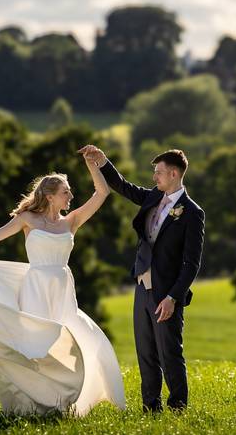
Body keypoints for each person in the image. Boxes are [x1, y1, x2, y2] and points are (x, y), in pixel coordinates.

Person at [0, 151, 125, 416]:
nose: (70, 196)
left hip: (61, 288)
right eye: (66, 192)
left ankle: (64, 401)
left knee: (70, 340)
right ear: (50, 196)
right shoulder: (28, 219)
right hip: (36, 286)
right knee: (35, 345)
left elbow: (102, 192)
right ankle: (32, 404)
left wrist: (92, 164)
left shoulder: (72, 221)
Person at [78, 145, 205, 412]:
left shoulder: (192, 213)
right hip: (142, 286)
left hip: (166, 293)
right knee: (146, 352)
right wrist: (103, 162)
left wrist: (173, 297)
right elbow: (123, 187)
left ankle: (178, 408)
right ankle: (150, 408)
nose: (154, 177)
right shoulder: (152, 198)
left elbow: (191, 264)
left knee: (169, 353)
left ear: (173, 174)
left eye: (158, 172)